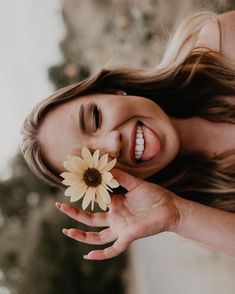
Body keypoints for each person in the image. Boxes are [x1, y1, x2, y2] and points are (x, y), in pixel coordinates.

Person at [21, 10, 235, 260]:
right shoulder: (206, 213)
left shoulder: (221, 46)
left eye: (96, 118)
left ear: (112, 90)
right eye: (94, 162)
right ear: (106, 186)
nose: (112, 143)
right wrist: (178, 215)